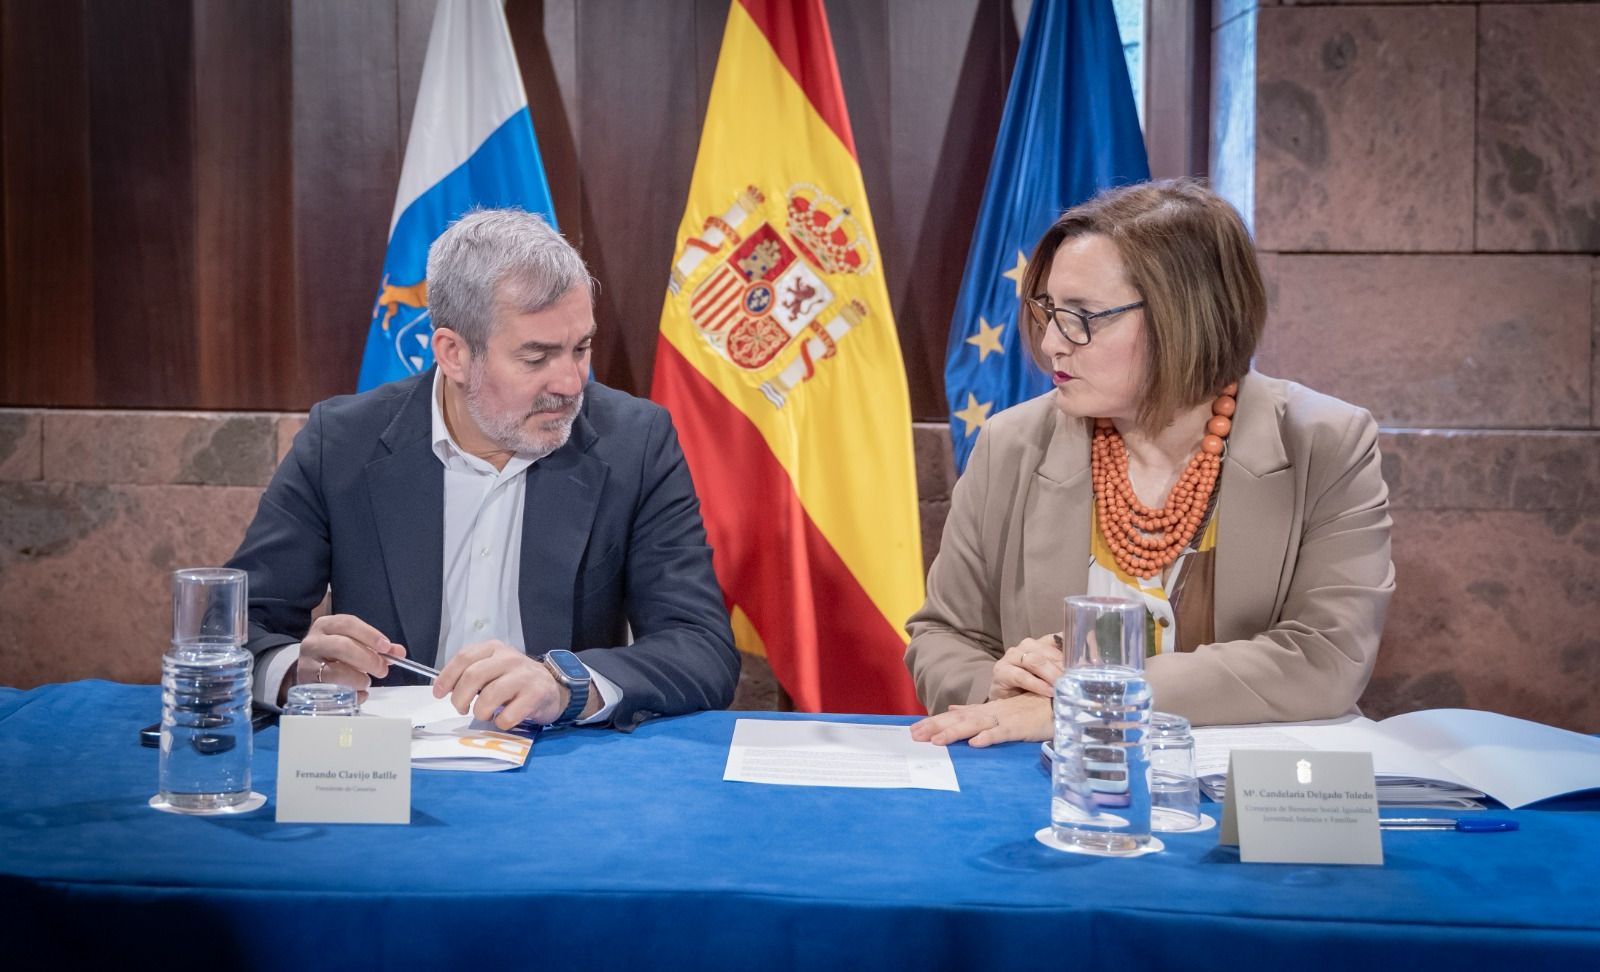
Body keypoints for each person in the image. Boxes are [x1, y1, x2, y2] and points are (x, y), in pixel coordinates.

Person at [906, 179, 1393, 747]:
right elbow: (942, 635)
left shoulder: (1326, 441)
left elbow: (1326, 657)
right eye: (1049, 311)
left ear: (1185, 315)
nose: (1051, 345)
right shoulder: (1010, 444)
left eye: (1084, 315)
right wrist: (997, 686)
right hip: (1058, 790)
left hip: (1259, 797)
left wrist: (1091, 700)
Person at [228, 208, 738, 731]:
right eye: (536, 357)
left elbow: (700, 648)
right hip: (383, 768)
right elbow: (232, 623)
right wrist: (295, 672)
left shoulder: (636, 441)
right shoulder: (341, 442)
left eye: (580, 348)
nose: (569, 383)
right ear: (453, 353)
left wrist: (566, 684)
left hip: (562, 767)